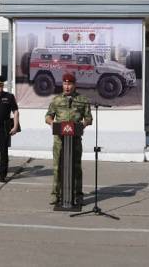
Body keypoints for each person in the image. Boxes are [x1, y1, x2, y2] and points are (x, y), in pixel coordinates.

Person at [45, 72, 92, 206]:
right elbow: (48, 116)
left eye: (69, 84)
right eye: (65, 84)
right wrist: (52, 123)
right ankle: (56, 195)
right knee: (57, 167)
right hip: (59, 140)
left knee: (77, 167)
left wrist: (83, 124)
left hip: (75, 139)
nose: (67, 87)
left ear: (74, 85)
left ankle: (78, 195)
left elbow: (88, 118)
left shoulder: (82, 100)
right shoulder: (56, 100)